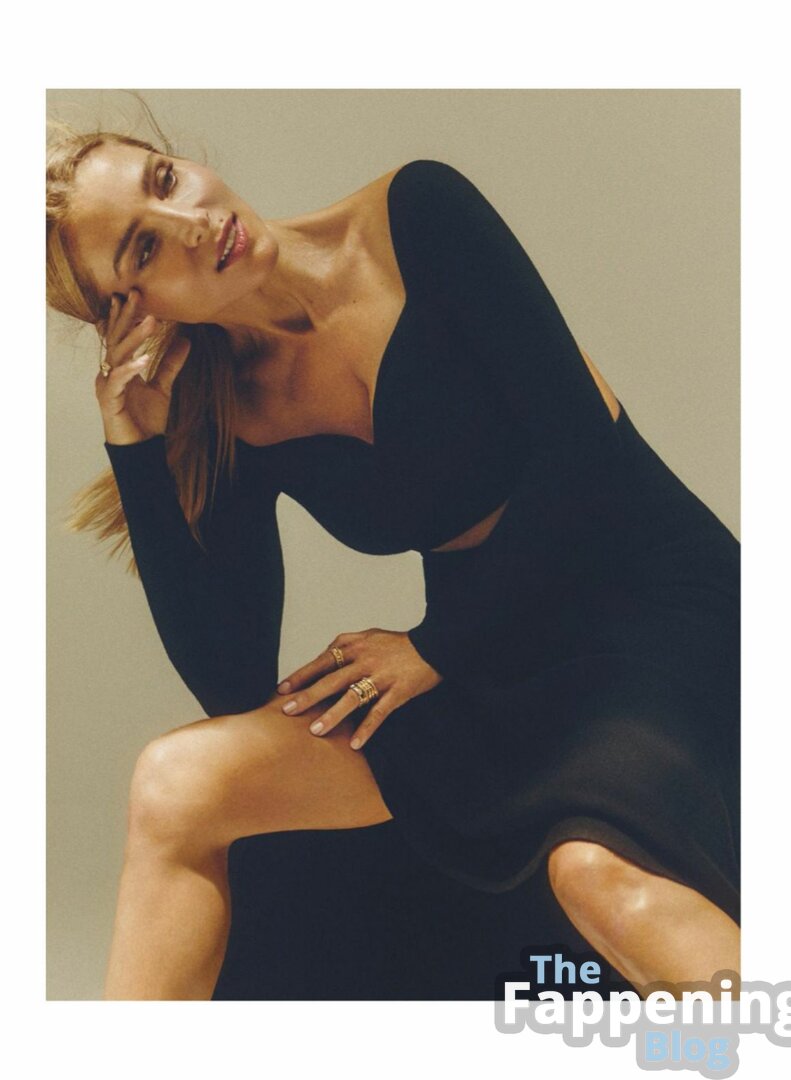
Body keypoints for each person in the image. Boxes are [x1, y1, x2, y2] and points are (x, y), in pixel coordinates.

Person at [47, 118, 740, 1001]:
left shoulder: (416, 215)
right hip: (490, 662)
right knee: (175, 782)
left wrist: (435, 647)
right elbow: (230, 680)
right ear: (129, 312)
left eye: (164, 179)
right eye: (144, 249)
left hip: (654, 608)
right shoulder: (230, 402)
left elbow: (584, 460)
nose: (193, 222)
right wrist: (136, 444)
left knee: (597, 877)